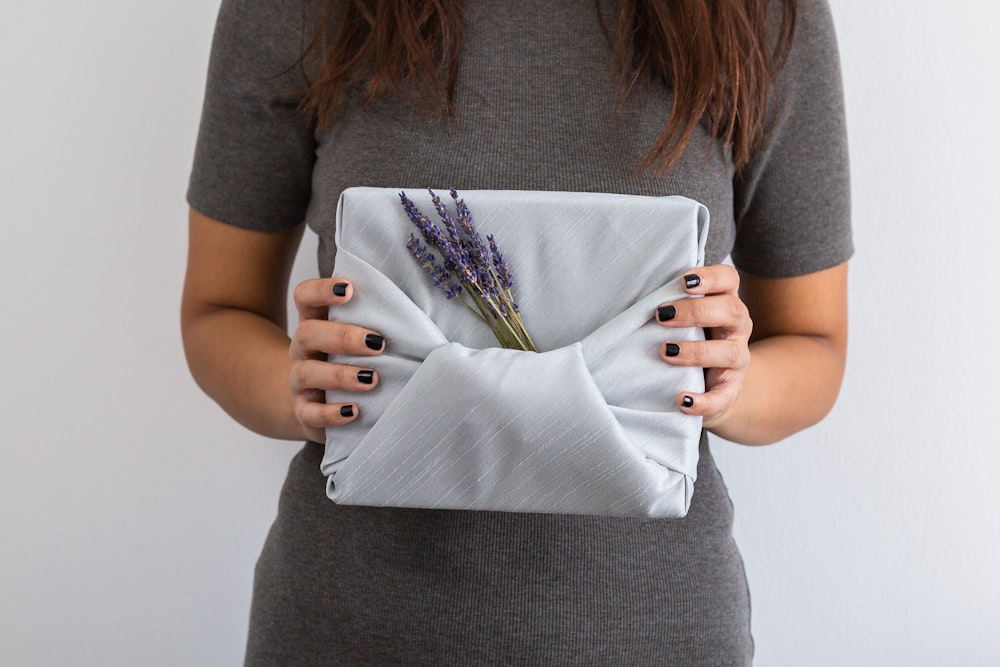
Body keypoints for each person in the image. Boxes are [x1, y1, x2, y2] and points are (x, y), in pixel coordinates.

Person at [181, 0, 851, 663]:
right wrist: (300, 389)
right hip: (350, 626)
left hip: (654, 631)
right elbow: (219, 310)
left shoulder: (761, 15)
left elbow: (815, 344)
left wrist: (729, 382)